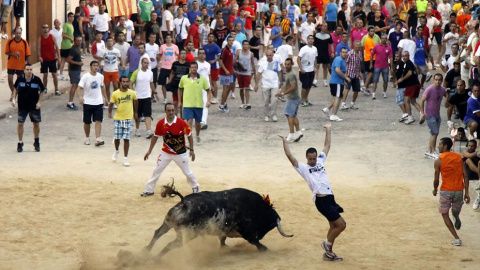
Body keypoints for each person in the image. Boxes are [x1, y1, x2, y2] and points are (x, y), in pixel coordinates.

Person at [279, 121, 346, 261]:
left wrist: (328, 129)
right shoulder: (303, 168)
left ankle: (328, 253)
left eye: (314, 158)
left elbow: (327, 146)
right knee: (341, 224)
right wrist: (285, 141)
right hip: (321, 201)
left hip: (330, 198)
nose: (312, 160)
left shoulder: (320, 161)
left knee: (334, 225)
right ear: (306, 158)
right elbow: (290, 157)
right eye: (310, 159)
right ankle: (326, 245)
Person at [141, 102, 200, 196]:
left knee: (187, 172)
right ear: (165, 111)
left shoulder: (181, 122)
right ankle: (149, 190)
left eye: (173, 110)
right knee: (156, 170)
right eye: (169, 110)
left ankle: (195, 187)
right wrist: (149, 151)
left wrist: (192, 150)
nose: (171, 112)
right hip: (166, 153)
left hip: (180, 153)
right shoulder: (161, 123)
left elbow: (189, 135)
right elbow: (155, 137)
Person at [433, 137, 470, 246]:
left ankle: (456, 238)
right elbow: (466, 175)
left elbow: (436, 179)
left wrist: (435, 189)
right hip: (459, 190)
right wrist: (466, 192)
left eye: (440, 144)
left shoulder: (439, 160)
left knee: (444, 213)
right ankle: (456, 216)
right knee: (455, 210)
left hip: (446, 190)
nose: (438, 146)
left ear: (445, 146)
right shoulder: (458, 158)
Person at [11, 64, 45, 152]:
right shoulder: (20, 79)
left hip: (34, 106)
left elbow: (42, 92)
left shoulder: (37, 80)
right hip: (22, 106)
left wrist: (40, 102)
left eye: (31, 69)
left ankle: (36, 141)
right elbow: (15, 90)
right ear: (24, 70)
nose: (29, 71)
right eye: (27, 69)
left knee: (36, 123)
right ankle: (20, 142)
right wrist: (14, 99)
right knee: (20, 124)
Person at [178, 61, 211, 143]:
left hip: (198, 104)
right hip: (187, 104)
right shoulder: (184, 78)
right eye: (192, 67)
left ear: (197, 68)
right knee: (189, 121)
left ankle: (197, 135)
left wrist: (208, 101)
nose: (194, 69)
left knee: (197, 123)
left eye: (195, 67)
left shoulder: (202, 78)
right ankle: (189, 138)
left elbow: (208, 90)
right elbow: (179, 88)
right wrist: (180, 101)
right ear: (189, 68)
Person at [109, 76, 138, 167]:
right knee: (117, 137)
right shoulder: (115, 94)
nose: (125, 83)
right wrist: (109, 112)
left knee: (126, 138)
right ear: (120, 82)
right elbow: (111, 104)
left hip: (128, 118)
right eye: (124, 82)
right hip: (118, 118)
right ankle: (117, 150)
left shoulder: (132, 93)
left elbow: (136, 101)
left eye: (127, 82)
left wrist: (135, 112)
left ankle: (125, 158)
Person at [77, 61, 107, 146]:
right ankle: (87, 138)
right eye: (94, 65)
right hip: (88, 102)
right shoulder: (86, 77)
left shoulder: (101, 76)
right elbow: (78, 88)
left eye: (97, 65)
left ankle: (98, 138)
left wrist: (106, 98)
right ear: (90, 67)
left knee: (98, 120)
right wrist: (80, 97)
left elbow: (102, 87)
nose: (96, 67)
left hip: (98, 102)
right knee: (87, 122)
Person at [275, 58, 303, 142]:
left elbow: (293, 87)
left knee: (289, 115)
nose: (286, 66)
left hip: (292, 98)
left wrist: (283, 94)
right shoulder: (288, 74)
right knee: (293, 115)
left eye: (288, 64)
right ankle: (298, 132)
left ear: (292, 64)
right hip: (294, 98)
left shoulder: (290, 74)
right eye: (285, 64)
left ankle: (291, 134)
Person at [420, 74, 446, 159]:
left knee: (433, 134)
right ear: (433, 80)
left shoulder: (442, 89)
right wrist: (422, 113)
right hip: (430, 114)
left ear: (441, 81)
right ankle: (433, 151)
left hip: (437, 114)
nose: (437, 81)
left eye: (439, 80)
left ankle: (428, 151)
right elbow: (422, 100)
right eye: (436, 79)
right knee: (434, 133)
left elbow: (448, 97)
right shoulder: (429, 89)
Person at [322, 47, 350, 122]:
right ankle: (333, 115)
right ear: (340, 53)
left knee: (337, 97)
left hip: (338, 82)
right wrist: (346, 78)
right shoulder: (339, 59)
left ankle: (327, 109)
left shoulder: (343, 61)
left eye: (346, 52)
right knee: (337, 97)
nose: (344, 54)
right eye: (343, 52)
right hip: (336, 82)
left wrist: (344, 81)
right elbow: (337, 70)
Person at [130, 58, 155, 138]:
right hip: (138, 96)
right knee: (138, 114)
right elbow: (131, 82)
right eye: (145, 63)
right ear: (141, 63)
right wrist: (132, 92)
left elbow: (151, 83)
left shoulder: (150, 73)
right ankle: (137, 129)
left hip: (147, 96)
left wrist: (154, 92)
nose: (146, 64)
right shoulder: (136, 72)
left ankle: (148, 130)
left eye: (147, 63)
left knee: (148, 114)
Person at [255, 49, 282, 122]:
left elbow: (279, 73)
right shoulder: (263, 64)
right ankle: (266, 115)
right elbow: (259, 74)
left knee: (274, 100)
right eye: (267, 55)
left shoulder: (276, 63)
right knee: (265, 101)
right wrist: (256, 84)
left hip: (274, 84)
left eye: (270, 55)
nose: (269, 57)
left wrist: (281, 82)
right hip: (265, 84)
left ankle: (274, 114)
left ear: (273, 55)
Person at [394, 51, 421, 124]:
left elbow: (409, 73)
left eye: (405, 56)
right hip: (413, 84)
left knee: (405, 101)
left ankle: (408, 116)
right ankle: (422, 114)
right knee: (413, 101)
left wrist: (401, 80)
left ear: (408, 56)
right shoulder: (407, 64)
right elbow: (416, 70)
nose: (404, 57)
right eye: (403, 56)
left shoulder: (408, 63)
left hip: (410, 85)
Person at [5, 27, 30, 102]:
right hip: (11, 64)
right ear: (14, 33)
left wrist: (28, 65)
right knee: (10, 80)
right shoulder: (10, 41)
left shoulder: (24, 42)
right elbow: (6, 52)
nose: (18, 35)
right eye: (17, 33)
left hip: (20, 65)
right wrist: (13, 54)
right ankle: (13, 92)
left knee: (18, 81)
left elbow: (28, 54)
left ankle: (15, 94)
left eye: (19, 33)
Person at [38, 23, 60, 96]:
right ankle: (44, 88)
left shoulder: (52, 37)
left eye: (46, 27)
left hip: (52, 58)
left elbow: (57, 47)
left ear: (48, 29)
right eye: (44, 27)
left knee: (54, 74)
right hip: (44, 59)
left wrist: (59, 57)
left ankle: (56, 89)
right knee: (45, 74)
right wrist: (39, 56)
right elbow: (39, 49)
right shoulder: (40, 38)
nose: (45, 29)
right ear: (42, 29)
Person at [341, 41, 363, 110]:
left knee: (356, 89)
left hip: (356, 74)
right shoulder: (350, 53)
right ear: (354, 46)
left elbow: (359, 64)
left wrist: (360, 73)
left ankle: (353, 103)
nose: (358, 46)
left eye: (359, 45)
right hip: (349, 73)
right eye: (356, 45)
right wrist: (345, 74)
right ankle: (343, 103)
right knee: (347, 88)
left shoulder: (360, 54)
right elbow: (345, 63)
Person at [370, 34, 393, 99]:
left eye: (385, 38)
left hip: (385, 66)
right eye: (382, 38)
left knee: (385, 80)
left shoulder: (389, 48)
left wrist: (391, 67)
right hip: (377, 66)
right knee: (375, 80)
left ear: (387, 39)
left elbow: (391, 57)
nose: (384, 39)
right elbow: (372, 55)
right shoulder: (376, 46)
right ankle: (373, 93)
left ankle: (384, 92)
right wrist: (371, 64)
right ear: (380, 39)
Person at [103, 37, 124, 104]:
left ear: (113, 42)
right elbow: (100, 59)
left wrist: (123, 64)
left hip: (115, 70)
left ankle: (115, 101)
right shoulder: (104, 51)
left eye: (111, 41)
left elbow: (120, 59)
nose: (110, 43)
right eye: (108, 41)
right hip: (106, 70)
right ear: (106, 43)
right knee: (107, 86)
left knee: (116, 86)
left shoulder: (116, 51)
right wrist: (100, 64)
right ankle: (107, 101)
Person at [297, 35, 318, 107]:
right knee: (304, 86)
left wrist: (315, 68)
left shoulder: (315, 49)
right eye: (309, 39)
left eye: (312, 39)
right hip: (304, 70)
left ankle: (306, 98)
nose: (311, 40)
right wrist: (301, 68)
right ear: (307, 40)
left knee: (309, 85)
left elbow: (315, 59)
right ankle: (302, 100)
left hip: (311, 70)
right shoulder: (303, 49)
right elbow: (298, 58)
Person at [158, 34, 179, 104]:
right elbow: (160, 55)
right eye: (167, 38)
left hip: (172, 67)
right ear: (165, 39)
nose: (168, 39)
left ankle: (174, 98)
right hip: (164, 66)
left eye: (170, 38)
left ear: (171, 39)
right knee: (163, 83)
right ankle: (165, 98)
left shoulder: (175, 47)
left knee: (173, 83)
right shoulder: (162, 46)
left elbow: (177, 55)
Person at [168, 50, 191, 114]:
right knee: (175, 102)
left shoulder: (188, 65)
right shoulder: (175, 63)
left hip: (184, 86)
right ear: (179, 55)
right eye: (182, 53)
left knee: (182, 103)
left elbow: (189, 75)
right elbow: (172, 73)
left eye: (184, 53)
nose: (183, 55)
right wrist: (169, 81)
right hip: (175, 84)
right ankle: (175, 117)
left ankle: (181, 118)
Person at [235, 40, 256, 109]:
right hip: (240, 73)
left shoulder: (251, 54)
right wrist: (235, 70)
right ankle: (242, 102)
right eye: (244, 44)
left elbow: (253, 64)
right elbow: (234, 62)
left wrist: (255, 74)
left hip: (247, 72)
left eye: (247, 44)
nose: (246, 46)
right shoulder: (238, 52)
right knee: (241, 89)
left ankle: (247, 103)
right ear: (242, 45)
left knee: (247, 88)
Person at [65, 36, 83, 110]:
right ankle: (70, 102)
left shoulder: (78, 48)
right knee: (74, 86)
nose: (79, 42)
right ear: (74, 41)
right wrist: (78, 63)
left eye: (80, 40)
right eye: (78, 41)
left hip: (76, 70)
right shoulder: (73, 49)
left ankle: (71, 102)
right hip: (74, 70)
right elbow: (68, 60)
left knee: (75, 86)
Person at [218, 36, 235, 113]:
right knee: (225, 88)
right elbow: (220, 61)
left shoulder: (231, 50)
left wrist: (233, 70)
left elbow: (230, 62)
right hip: (225, 73)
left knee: (230, 87)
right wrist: (225, 70)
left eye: (232, 40)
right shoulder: (224, 50)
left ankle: (224, 102)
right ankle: (222, 105)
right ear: (227, 41)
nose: (231, 41)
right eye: (230, 40)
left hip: (230, 72)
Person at [204, 33, 221, 104]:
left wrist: (213, 61)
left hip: (214, 66)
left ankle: (215, 97)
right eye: (209, 37)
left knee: (214, 81)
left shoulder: (216, 47)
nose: (210, 38)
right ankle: (208, 96)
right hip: (206, 66)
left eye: (212, 37)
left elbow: (219, 56)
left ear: (214, 38)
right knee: (207, 81)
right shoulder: (204, 46)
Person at [314, 23, 333, 88]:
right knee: (317, 66)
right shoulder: (316, 35)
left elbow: (331, 44)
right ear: (321, 27)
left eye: (326, 26)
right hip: (318, 53)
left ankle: (324, 80)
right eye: (324, 26)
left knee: (325, 67)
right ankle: (315, 80)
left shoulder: (328, 35)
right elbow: (314, 44)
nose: (325, 27)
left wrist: (332, 52)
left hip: (325, 53)